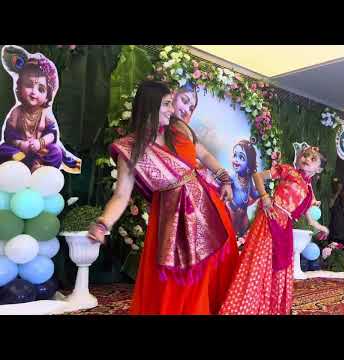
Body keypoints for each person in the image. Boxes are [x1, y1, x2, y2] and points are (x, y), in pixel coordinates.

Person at [87, 81, 239, 315]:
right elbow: (120, 195)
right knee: (180, 283)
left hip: (207, 208)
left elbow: (205, 154)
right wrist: (103, 223)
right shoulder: (131, 149)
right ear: (150, 105)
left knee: (212, 274)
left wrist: (225, 178)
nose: (173, 109)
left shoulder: (179, 129)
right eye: (167, 104)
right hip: (171, 219)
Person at [219, 143, 329, 315]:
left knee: (278, 270)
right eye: (305, 155)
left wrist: (321, 227)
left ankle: (268, 309)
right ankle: (243, 308)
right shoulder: (288, 170)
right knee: (258, 264)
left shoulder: (308, 191)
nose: (306, 159)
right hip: (269, 219)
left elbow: (309, 217)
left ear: (319, 169)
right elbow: (257, 176)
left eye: (312, 158)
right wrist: (264, 197)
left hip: (285, 227)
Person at [0, 46, 81, 173]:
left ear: (48, 95)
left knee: (56, 151)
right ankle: (20, 167)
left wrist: (40, 143)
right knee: (4, 149)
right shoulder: (16, 112)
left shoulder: (45, 114)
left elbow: (52, 134)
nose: (34, 92)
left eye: (41, 89)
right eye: (28, 85)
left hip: (39, 151)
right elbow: (9, 135)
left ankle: (38, 167)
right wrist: (21, 144)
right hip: (20, 152)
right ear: (19, 87)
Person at [227, 140, 260, 236]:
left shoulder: (249, 179)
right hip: (233, 213)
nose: (236, 160)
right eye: (235, 155)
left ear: (249, 164)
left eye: (241, 157)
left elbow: (253, 194)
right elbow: (226, 194)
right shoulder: (232, 178)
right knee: (231, 235)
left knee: (243, 235)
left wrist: (263, 192)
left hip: (244, 215)